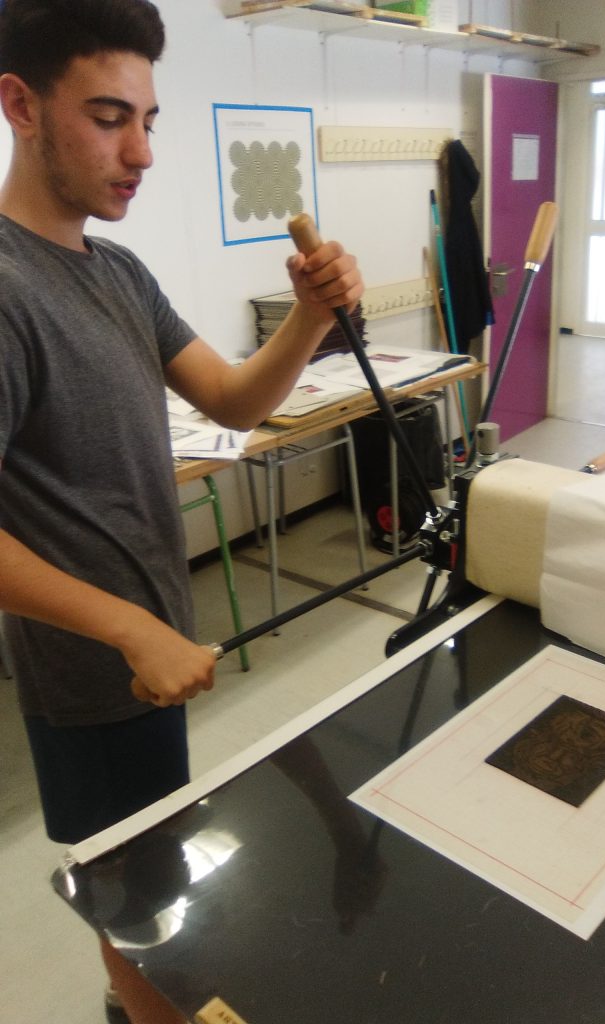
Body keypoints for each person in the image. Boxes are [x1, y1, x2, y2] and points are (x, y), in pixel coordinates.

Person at [0, 1, 364, 1021]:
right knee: (140, 919)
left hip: (149, 661)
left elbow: (236, 401)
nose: (143, 153)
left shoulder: (117, 271)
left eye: (149, 120)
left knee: (155, 890)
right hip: (92, 683)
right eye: (109, 118)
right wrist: (129, 628)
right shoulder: (7, 288)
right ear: (20, 105)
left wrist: (311, 316)